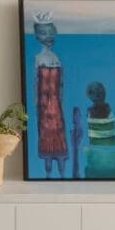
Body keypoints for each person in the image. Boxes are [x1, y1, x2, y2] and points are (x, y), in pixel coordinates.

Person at [32, 12, 68, 178]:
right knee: (47, 137)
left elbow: (61, 86)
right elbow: (35, 85)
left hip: (56, 107)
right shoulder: (38, 59)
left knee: (59, 135)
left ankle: (61, 175)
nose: (48, 36)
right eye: (43, 33)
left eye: (50, 32)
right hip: (44, 108)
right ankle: (48, 175)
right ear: (38, 36)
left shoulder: (56, 58)